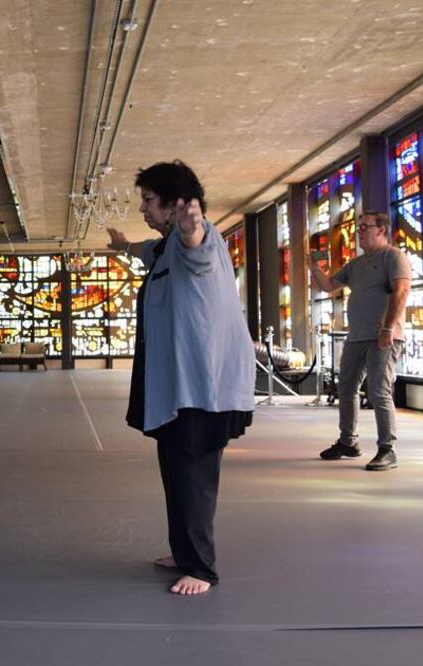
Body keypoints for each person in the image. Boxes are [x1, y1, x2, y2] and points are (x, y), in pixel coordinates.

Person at [107, 160, 255, 596]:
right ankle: (183, 549)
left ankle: (202, 568)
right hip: (174, 384)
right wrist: (124, 247)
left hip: (202, 387)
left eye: (149, 201)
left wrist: (193, 224)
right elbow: (147, 251)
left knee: (194, 474)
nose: (142, 209)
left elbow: (197, 244)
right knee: (174, 467)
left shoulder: (198, 238)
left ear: (175, 205)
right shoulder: (167, 244)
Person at [310, 211, 411, 471]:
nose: (359, 232)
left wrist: (388, 328)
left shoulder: (393, 256)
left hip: (383, 336)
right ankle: (348, 442)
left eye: (365, 227)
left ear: (381, 229)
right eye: (359, 228)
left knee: (378, 391)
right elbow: (328, 286)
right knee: (345, 389)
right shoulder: (356, 264)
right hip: (356, 337)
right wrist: (315, 268)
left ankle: (387, 449)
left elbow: (401, 291)